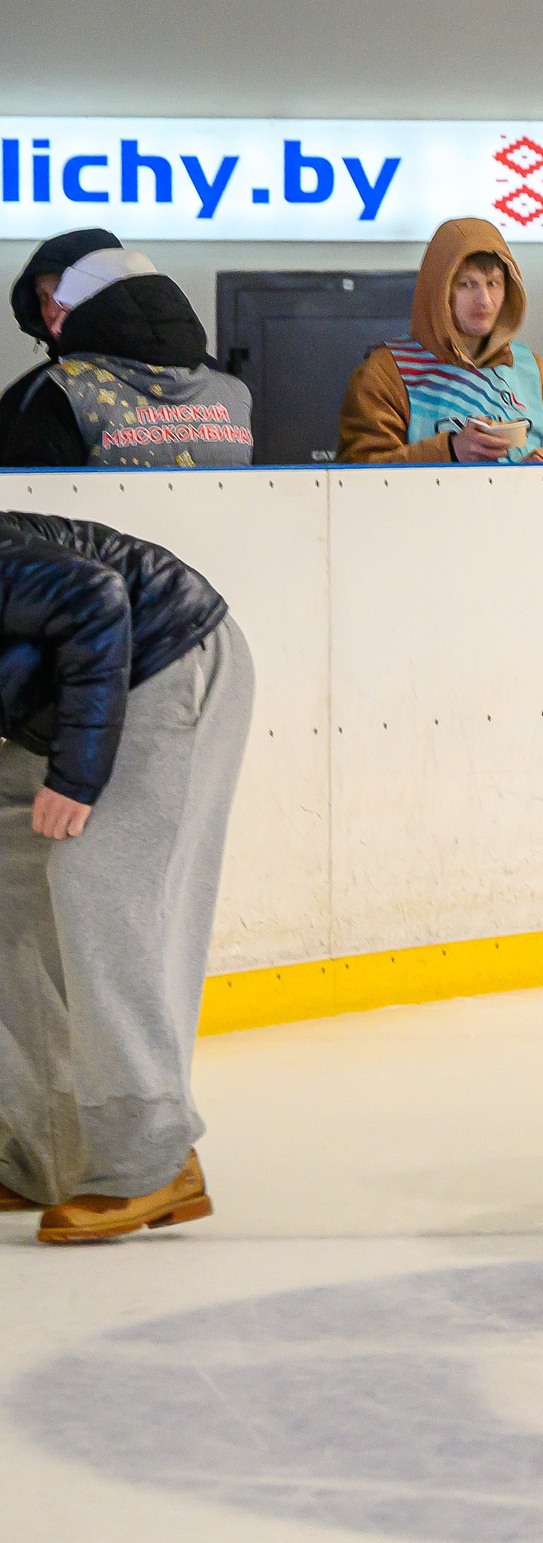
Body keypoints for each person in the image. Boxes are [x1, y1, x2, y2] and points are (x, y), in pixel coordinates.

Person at [0, 514, 254, 1244]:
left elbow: (96, 599)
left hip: (163, 654)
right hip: (70, 696)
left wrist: (76, 780)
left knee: (96, 888)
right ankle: (38, 1150)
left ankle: (148, 1161)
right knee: (9, 895)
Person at [338, 217, 543, 464]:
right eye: (467, 284)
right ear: (439, 291)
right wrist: (450, 450)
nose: (484, 300)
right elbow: (357, 473)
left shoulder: (536, 374)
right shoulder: (386, 373)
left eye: (493, 284)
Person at [0, 247, 252, 469]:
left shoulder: (64, 391)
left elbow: (30, 507)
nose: (55, 328)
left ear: (98, 309)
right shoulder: (233, 393)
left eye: (66, 310)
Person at [4, 228, 120, 435]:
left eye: (64, 292)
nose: (50, 311)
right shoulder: (27, 398)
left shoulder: (183, 376)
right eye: (42, 297)